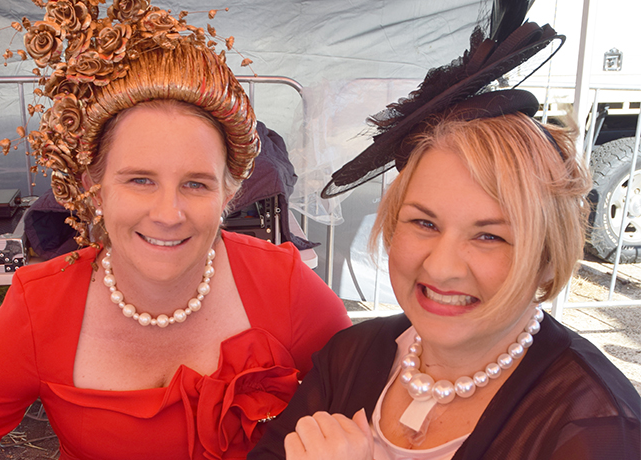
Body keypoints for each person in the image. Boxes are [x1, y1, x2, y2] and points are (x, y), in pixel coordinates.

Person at [0, 3, 350, 459]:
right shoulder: (40, 306)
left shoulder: (285, 287)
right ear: (94, 188)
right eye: (140, 180)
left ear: (228, 195)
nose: (168, 213)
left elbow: (370, 411)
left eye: (196, 184)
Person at [248, 14, 641, 460]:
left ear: (548, 259)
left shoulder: (596, 429)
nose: (441, 266)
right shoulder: (349, 356)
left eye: (489, 236)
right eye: (425, 223)